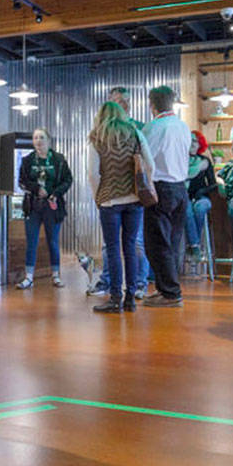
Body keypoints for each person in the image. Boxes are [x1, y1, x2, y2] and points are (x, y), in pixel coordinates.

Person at [88, 101, 149, 313]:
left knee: (113, 249)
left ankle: (115, 298)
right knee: (130, 247)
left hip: (110, 201)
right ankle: (131, 297)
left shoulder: (97, 137)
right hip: (134, 199)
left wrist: (98, 196)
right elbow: (149, 164)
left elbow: (92, 173)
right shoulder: (134, 133)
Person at [139, 86, 191, 308]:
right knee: (172, 242)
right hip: (181, 188)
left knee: (156, 243)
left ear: (152, 104)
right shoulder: (183, 126)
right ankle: (166, 289)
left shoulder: (155, 126)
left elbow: (144, 157)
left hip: (161, 189)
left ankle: (170, 293)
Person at [17, 128, 73, 289]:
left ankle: (55, 275)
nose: (38, 141)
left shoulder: (59, 160)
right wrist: (35, 188)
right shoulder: (28, 160)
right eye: (35, 138)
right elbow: (22, 181)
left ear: (48, 140)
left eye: (41, 137)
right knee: (31, 241)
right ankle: (28, 277)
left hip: (52, 206)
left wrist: (56, 193)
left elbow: (68, 180)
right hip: (33, 205)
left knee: (53, 241)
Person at [184, 130, 218, 261]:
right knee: (186, 209)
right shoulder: (179, 159)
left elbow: (213, 184)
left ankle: (193, 246)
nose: (192, 144)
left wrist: (201, 193)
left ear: (200, 144)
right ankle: (195, 245)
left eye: (195, 141)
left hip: (201, 196)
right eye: (190, 140)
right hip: (183, 197)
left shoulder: (205, 161)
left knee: (200, 208)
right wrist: (197, 169)